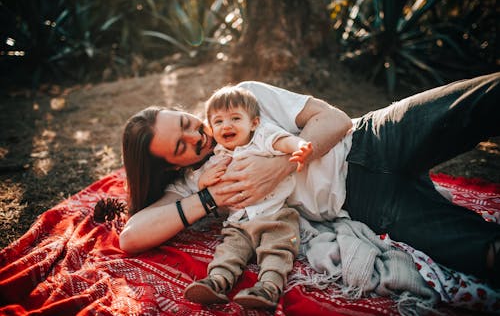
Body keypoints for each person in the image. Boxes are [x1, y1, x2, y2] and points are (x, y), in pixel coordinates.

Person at [120, 73, 500, 289]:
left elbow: (334, 120)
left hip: (373, 139)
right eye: (181, 146)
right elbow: (131, 235)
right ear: (171, 166)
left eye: (187, 123)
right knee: (484, 254)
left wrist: (281, 166)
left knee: (483, 100)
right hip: (365, 201)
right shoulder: (191, 185)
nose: (197, 136)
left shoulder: (243, 100)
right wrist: (209, 198)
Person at [176, 86, 312, 308]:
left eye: (235, 118)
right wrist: (204, 181)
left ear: (254, 123)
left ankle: (268, 288)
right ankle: (216, 281)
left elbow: (284, 141)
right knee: (229, 250)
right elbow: (197, 183)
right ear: (212, 129)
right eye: (218, 122)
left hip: (276, 216)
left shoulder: (261, 138)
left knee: (277, 250)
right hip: (238, 222)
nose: (226, 125)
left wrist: (301, 146)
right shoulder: (218, 156)